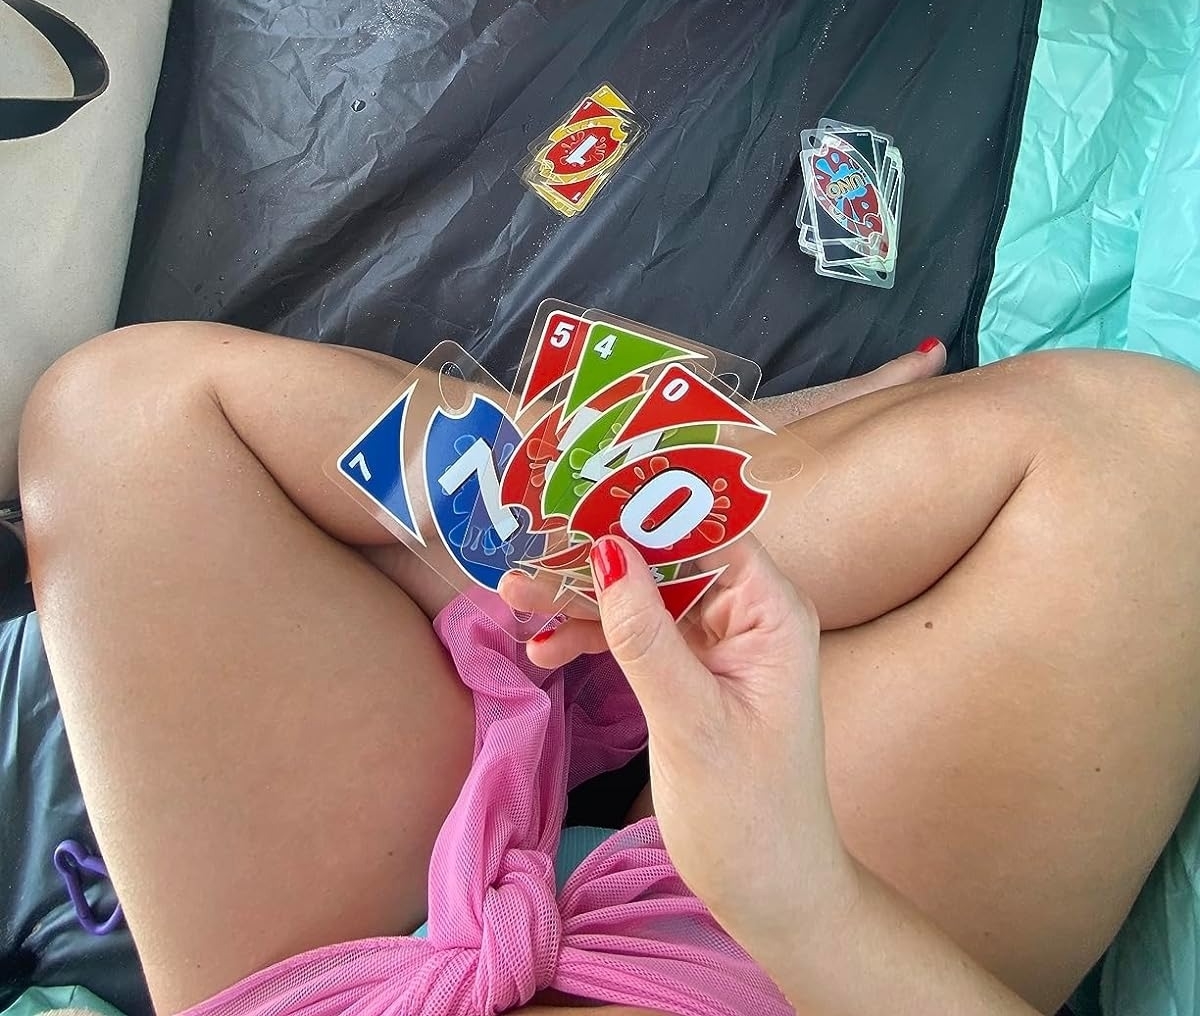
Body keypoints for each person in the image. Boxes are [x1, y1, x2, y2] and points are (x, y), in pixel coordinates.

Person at [15, 322, 1200, 1015]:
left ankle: (626, 525)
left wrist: (611, 529)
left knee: (116, 416)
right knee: (1160, 461)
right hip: (779, 973)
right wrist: (802, 900)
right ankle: (709, 492)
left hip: (340, 986)